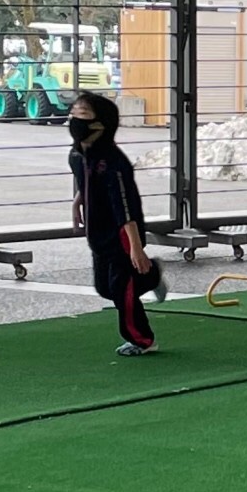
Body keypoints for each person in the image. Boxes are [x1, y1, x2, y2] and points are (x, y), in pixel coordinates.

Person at [68, 89, 166, 355]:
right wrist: (78, 200)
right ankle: (151, 274)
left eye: (83, 115)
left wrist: (135, 247)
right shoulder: (77, 154)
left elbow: (124, 207)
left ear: (101, 123)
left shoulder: (114, 163)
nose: (76, 120)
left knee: (122, 289)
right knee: (104, 287)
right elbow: (86, 181)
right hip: (97, 231)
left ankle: (142, 340)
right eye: (74, 113)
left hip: (123, 232)